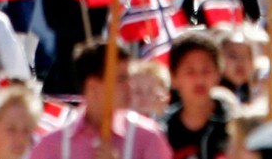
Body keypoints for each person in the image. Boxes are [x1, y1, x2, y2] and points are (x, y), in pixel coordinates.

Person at [30, 42, 170, 159]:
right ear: (93, 87)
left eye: (129, 77)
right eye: (121, 79)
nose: (130, 85)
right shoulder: (52, 145)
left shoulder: (148, 137)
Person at [165, 31, 229, 159]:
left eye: (206, 70)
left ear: (218, 73)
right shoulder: (161, 131)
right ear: (174, 77)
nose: (199, 79)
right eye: (190, 71)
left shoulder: (234, 127)